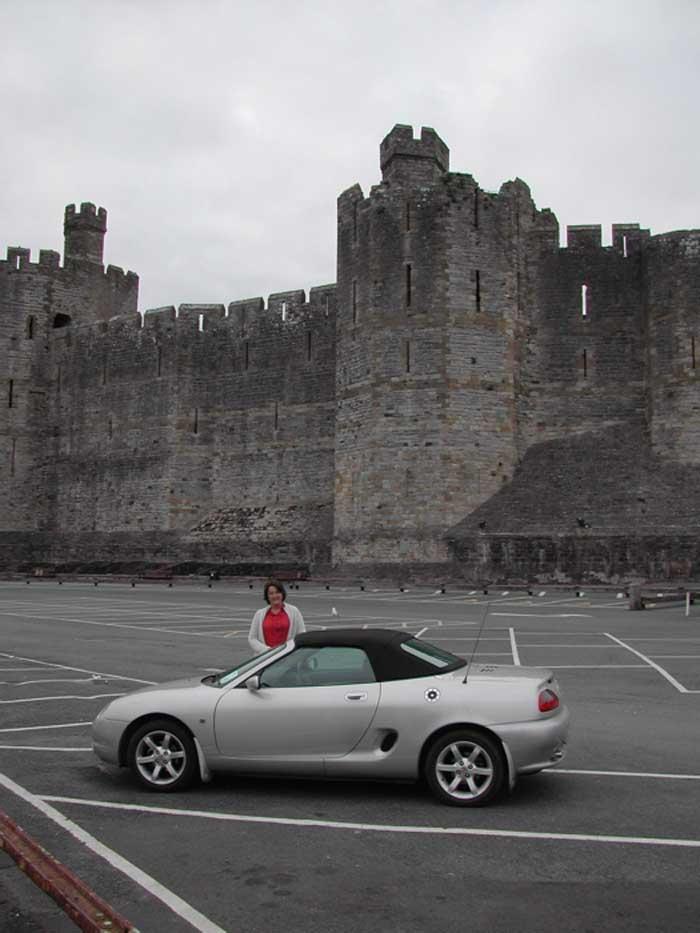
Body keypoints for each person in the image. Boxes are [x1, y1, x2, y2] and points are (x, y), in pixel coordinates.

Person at [248, 579, 306, 654]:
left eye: (277, 592)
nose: (275, 596)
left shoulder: (294, 611)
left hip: (287, 656)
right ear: (267, 596)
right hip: (265, 657)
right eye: (271, 593)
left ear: (282, 593)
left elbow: (301, 634)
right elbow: (252, 638)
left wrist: (290, 650)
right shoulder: (259, 614)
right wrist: (267, 650)